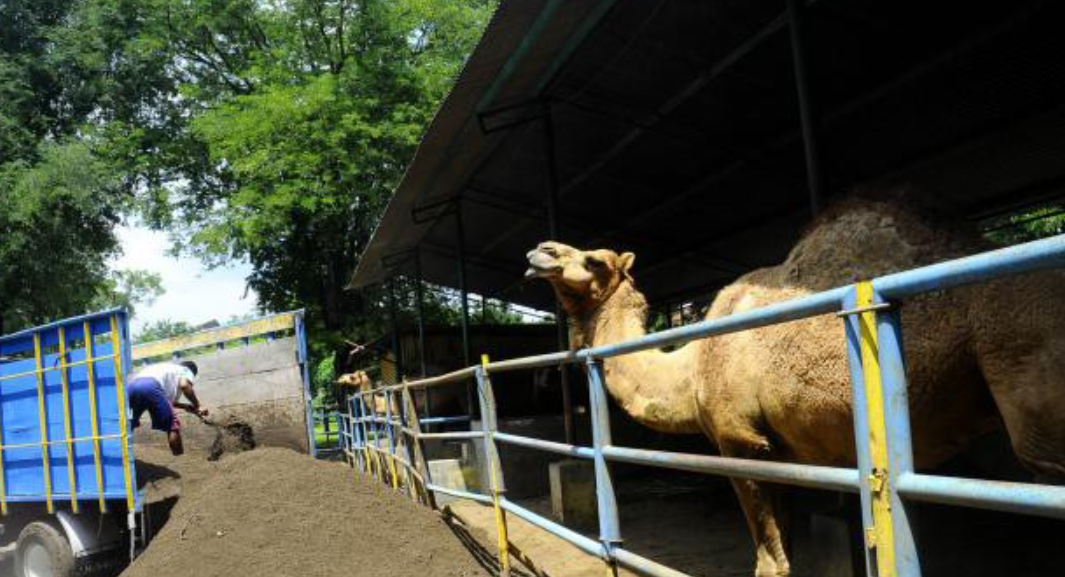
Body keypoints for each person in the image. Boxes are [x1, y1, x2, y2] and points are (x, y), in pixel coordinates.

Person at [129, 360, 209, 455]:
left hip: (131, 387)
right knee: (172, 425)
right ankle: (179, 455)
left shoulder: (167, 370)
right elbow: (184, 385)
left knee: (129, 423)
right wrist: (198, 406)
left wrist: (184, 406)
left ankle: (120, 451)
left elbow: (164, 400)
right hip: (151, 386)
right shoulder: (186, 370)